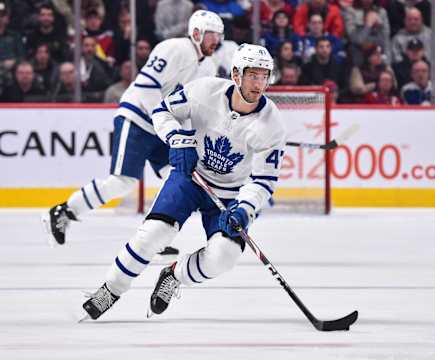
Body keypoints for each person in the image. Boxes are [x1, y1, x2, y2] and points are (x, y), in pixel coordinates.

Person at [80, 43, 287, 321]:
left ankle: (175, 273)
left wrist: (244, 208)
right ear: (236, 75)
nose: (259, 83)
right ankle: (111, 289)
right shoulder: (204, 91)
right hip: (190, 177)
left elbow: (263, 180)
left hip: (230, 195)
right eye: (253, 75)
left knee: (223, 256)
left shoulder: (272, 124)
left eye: (265, 76)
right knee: (154, 233)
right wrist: (177, 138)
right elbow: (162, 111)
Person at [42, 11, 224, 260]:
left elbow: (197, 106)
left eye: (220, 35)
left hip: (162, 126)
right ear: (196, 33)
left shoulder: (209, 66)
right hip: (138, 118)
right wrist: (167, 124)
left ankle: (152, 237)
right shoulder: (173, 48)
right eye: (213, 35)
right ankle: (63, 211)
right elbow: (148, 87)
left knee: (177, 179)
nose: (217, 40)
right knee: (122, 181)